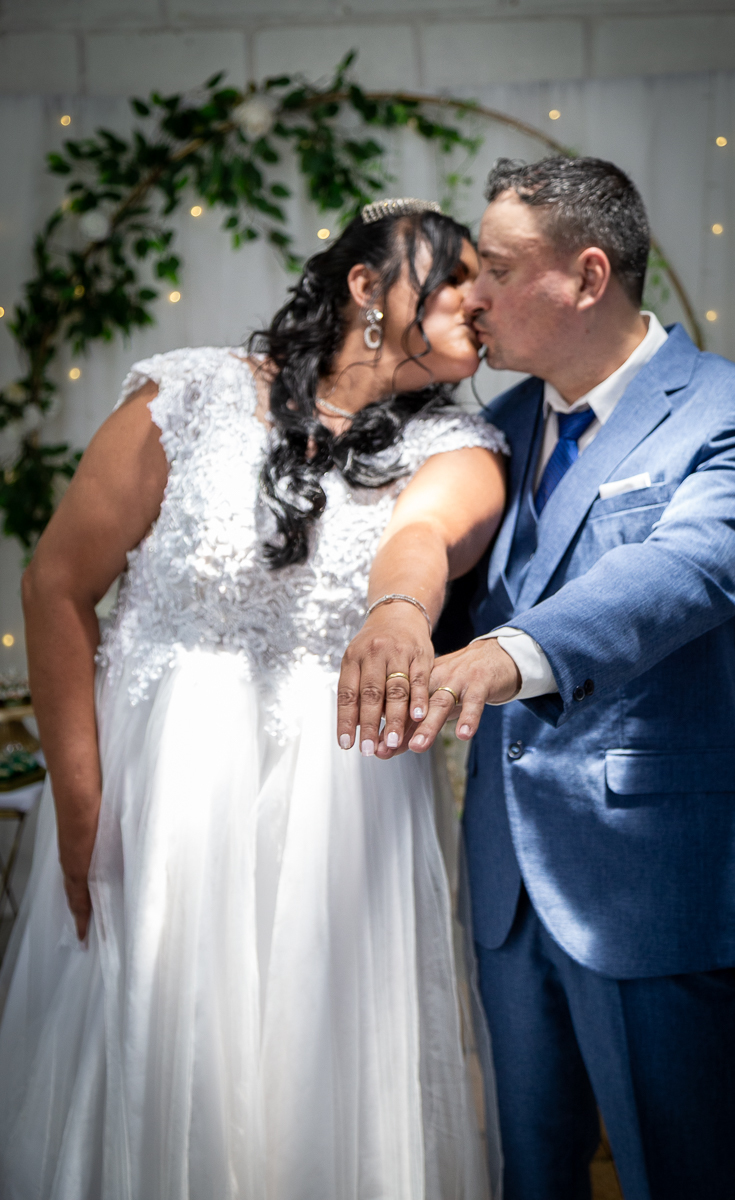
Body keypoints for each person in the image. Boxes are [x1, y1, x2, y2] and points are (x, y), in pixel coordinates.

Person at [0, 198, 508, 1199]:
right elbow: (56, 586)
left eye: (484, 281)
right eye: (451, 272)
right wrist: (81, 804)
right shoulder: (185, 397)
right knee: (156, 1059)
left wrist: (401, 609)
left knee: (316, 1086)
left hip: (339, 827)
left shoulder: (462, 449)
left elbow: (425, 538)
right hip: (160, 801)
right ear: (364, 283)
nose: (475, 296)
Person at [339, 159, 735, 1199]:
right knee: (528, 1176)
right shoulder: (487, 431)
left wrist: (503, 659)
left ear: (586, 276)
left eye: (493, 269)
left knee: (687, 1177)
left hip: (652, 874)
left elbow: (689, 570)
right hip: (505, 879)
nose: (470, 297)